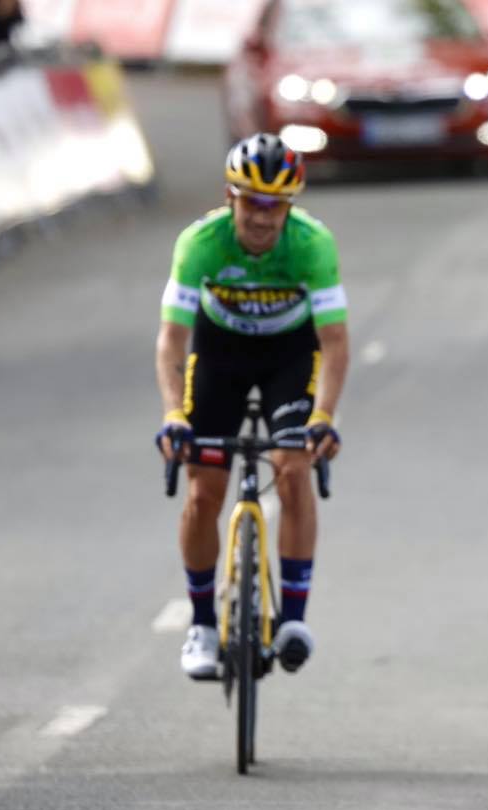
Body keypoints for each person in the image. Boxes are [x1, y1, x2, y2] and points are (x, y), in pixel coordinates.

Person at [155, 133, 349, 680]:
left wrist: (324, 418)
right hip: (221, 357)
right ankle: (202, 625)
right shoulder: (201, 243)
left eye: (277, 205)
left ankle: (292, 619)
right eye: (253, 203)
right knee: (202, 491)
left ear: (290, 205)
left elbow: (334, 343)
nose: (265, 218)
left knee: (292, 470)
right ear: (231, 197)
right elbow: (173, 339)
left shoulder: (312, 244)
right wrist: (173, 415)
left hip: (290, 355)